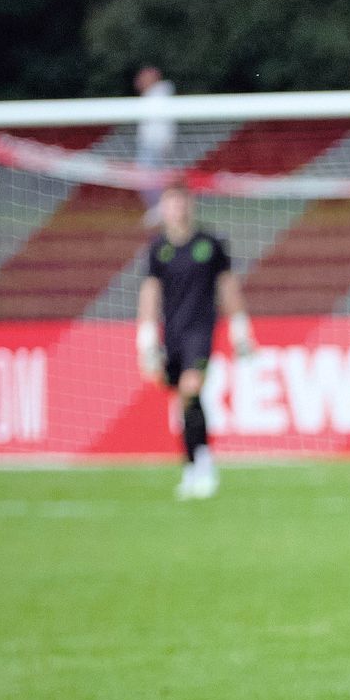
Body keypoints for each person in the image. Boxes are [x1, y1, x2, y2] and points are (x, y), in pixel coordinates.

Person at [136, 185, 252, 500]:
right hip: (171, 334)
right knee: (184, 399)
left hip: (200, 333)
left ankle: (203, 467)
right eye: (170, 204)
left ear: (190, 205)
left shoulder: (209, 244)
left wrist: (240, 328)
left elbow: (228, 286)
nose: (177, 210)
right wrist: (146, 337)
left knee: (190, 388)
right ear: (163, 210)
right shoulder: (158, 249)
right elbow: (150, 292)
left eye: (181, 203)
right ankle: (193, 466)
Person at [134, 65, 177, 226]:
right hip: (153, 144)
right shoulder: (154, 94)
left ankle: (160, 209)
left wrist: (161, 144)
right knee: (149, 178)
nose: (139, 81)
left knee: (148, 178)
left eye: (143, 77)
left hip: (154, 144)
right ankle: (160, 209)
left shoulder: (157, 95)